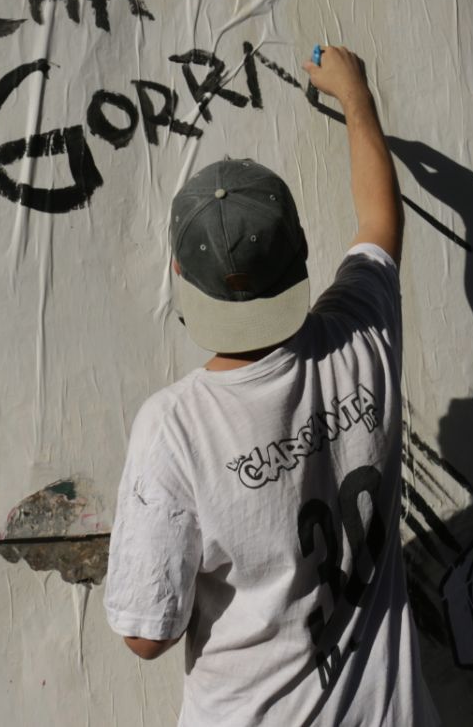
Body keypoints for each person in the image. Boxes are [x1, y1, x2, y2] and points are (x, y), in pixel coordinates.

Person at [104, 46, 438, 726]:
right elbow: (379, 221)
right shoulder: (362, 334)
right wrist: (355, 96)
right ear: (302, 251)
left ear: (180, 275)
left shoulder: (176, 427)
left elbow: (147, 634)